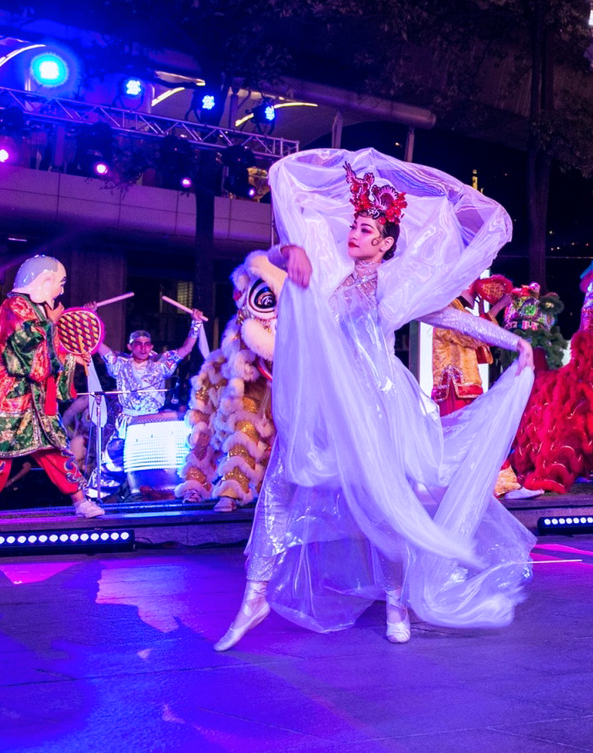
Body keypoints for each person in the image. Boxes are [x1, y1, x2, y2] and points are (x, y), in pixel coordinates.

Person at [215, 149, 535, 651]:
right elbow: (283, 252)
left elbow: (447, 317)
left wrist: (510, 341)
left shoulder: (398, 283)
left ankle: (396, 601)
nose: (356, 234)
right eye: (356, 226)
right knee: (280, 487)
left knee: (387, 507)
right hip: (324, 403)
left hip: (376, 403)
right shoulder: (328, 270)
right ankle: (254, 598)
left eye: (367, 230)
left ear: (386, 244)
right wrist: (283, 255)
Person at [0, 255, 104, 517]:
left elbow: (51, 353)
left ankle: (80, 501)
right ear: (45, 280)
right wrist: (51, 323)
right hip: (7, 397)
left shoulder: (41, 311)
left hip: (38, 401)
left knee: (55, 450)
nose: (62, 290)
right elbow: (21, 348)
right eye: (60, 283)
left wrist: (73, 356)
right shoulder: (14, 306)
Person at [431, 281, 544, 500]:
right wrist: (497, 308)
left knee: (478, 435)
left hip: (463, 383)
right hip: (455, 385)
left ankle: (500, 486)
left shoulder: (458, 308)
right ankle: (499, 486)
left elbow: (480, 341)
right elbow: (473, 335)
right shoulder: (449, 306)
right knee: (475, 435)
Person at [94, 313, 205, 497]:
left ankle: (171, 492)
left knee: (159, 463)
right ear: (130, 346)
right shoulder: (120, 363)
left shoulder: (161, 363)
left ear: (151, 347)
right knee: (111, 462)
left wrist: (196, 323)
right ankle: (94, 496)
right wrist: (93, 317)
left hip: (154, 421)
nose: (143, 348)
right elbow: (99, 345)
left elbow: (186, 349)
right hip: (128, 421)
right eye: (138, 344)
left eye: (147, 344)